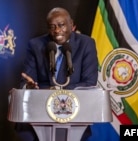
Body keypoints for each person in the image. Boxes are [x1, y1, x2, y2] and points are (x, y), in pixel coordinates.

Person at [15, 7, 98, 141]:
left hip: (73, 113)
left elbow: (89, 83)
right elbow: (26, 81)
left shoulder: (86, 44)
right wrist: (29, 88)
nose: (57, 31)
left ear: (72, 25)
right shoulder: (36, 45)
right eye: (52, 27)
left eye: (61, 25)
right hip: (39, 114)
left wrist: (55, 92)